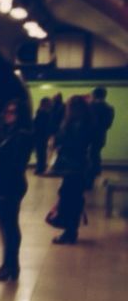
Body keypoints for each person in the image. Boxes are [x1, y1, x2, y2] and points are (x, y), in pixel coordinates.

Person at [0, 100, 31, 280]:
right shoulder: (6, 133)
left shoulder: (21, 136)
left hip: (10, 185)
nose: (8, 116)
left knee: (9, 227)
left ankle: (9, 266)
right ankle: (11, 266)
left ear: (20, 116)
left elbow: (10, 165)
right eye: (7, 112)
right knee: (7, 227)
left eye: (13, 112)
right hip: (5, 185)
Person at [50, 95, 94, 244]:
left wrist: (58, 141)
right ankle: (70, 231)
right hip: (80, 166)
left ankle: (69, 233)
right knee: (73, 198)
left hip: (72, 167)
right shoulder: (87, 121)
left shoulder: (75, 124)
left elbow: (70, 143)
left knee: (69, 198)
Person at [89, 86, 116, 180]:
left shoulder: (90, 106)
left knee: (90, 156)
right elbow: (108, 124)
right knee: (95, 154)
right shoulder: (109, 108)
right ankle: (95, 173)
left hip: (88, 136)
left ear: (94, 95)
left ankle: (89, 178)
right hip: (101, 136)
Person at [32, 96, 55, 174]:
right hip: (43, 136)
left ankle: (40, 167)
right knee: (42, 152)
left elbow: (36, 124)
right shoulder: (47, 113)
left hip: (39, 136)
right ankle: (41, 167)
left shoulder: (40, 112)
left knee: (40, 152)